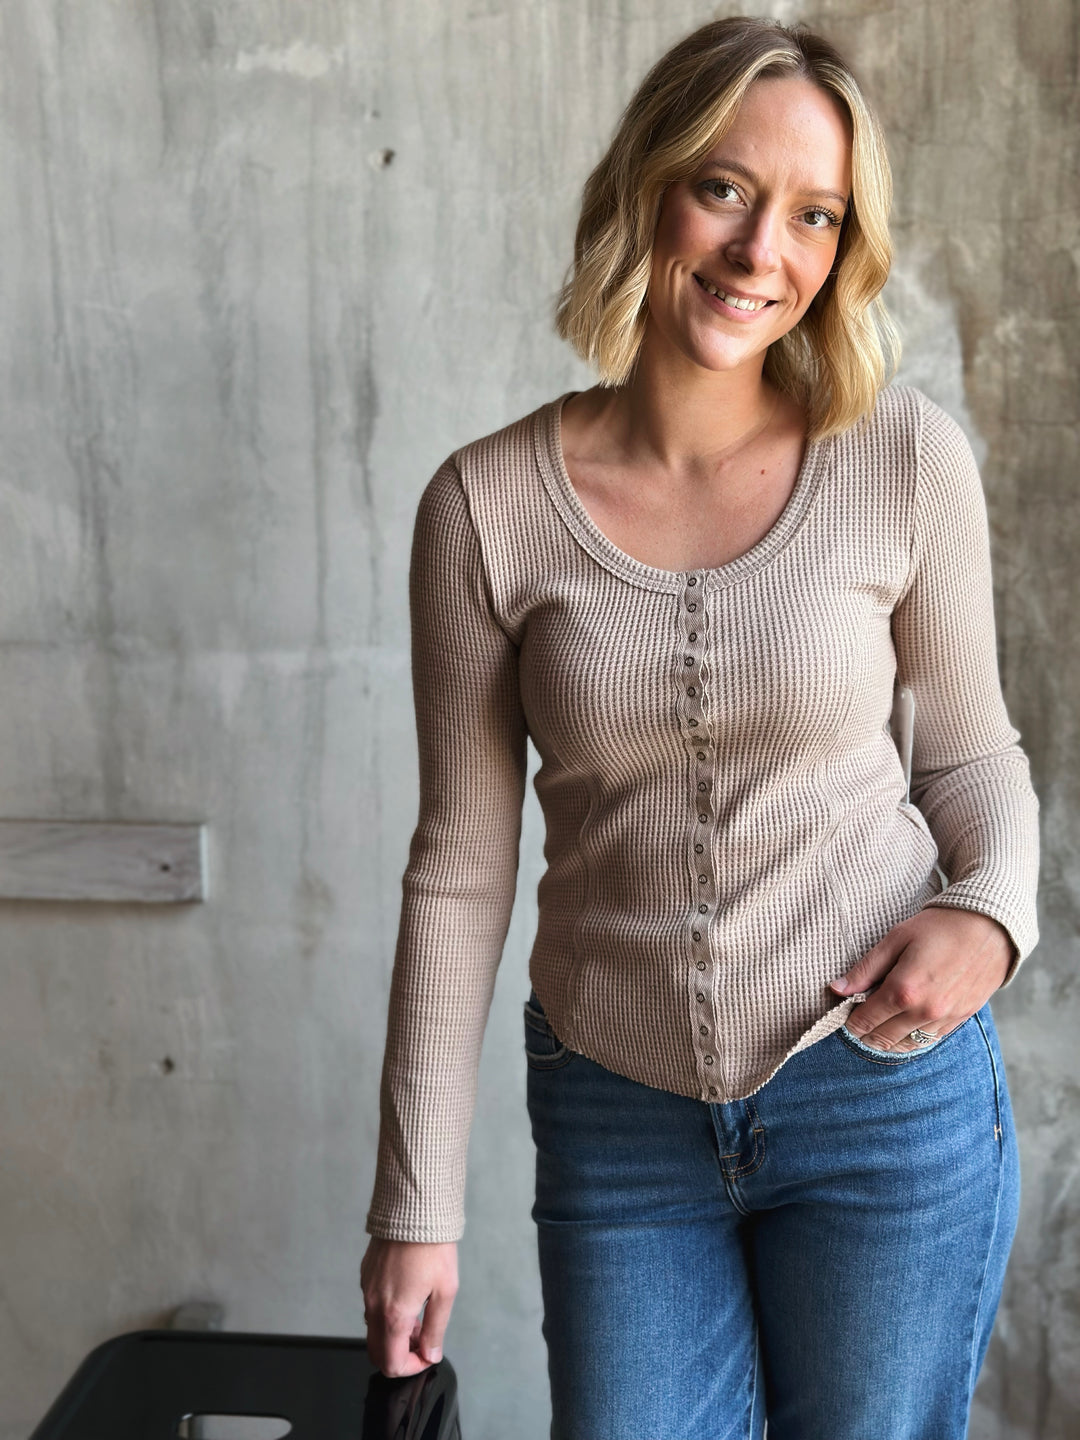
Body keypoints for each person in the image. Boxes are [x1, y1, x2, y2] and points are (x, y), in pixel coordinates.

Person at [360, 16, 1040, 1439]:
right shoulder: (484, 507)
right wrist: (415, 1208)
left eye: (814, 215)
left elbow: (973, 754)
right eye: (725, 189)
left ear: (844, 248)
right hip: (619, 1119)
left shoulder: (902, 458)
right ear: (648, 185)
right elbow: (460, 866)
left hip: (882, 1097)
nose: (760, 254)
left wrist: (990, 916)